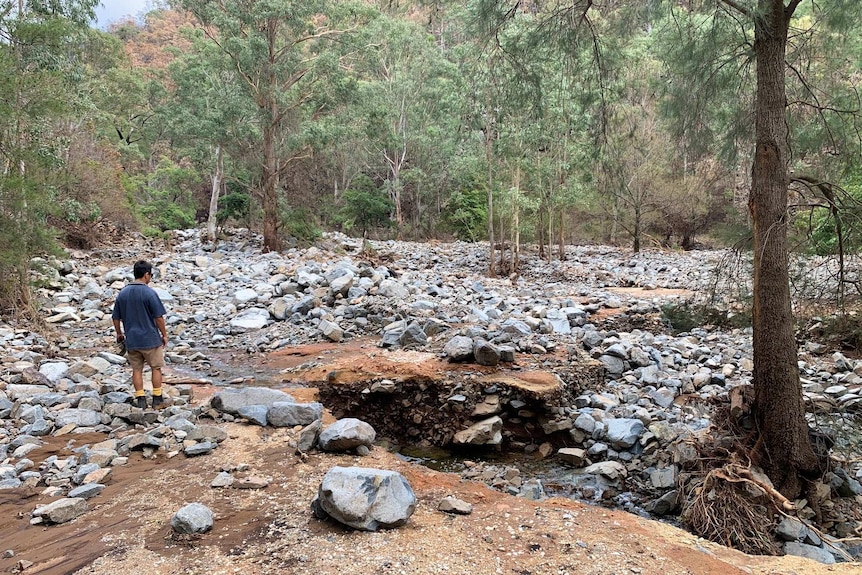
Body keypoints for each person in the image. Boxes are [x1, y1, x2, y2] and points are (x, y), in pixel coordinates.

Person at [112, 260, 169, 409]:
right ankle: (157, 398)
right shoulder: (149, 293)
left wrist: (119, 334)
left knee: (137, 369)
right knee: (156, 368)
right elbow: (158, 317)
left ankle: (141, 399)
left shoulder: (122, 293)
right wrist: (164, 334)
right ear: (146, 274)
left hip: (132, 340)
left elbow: (115, 317)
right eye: (150, 275)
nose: (150, 278)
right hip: (150, 339)